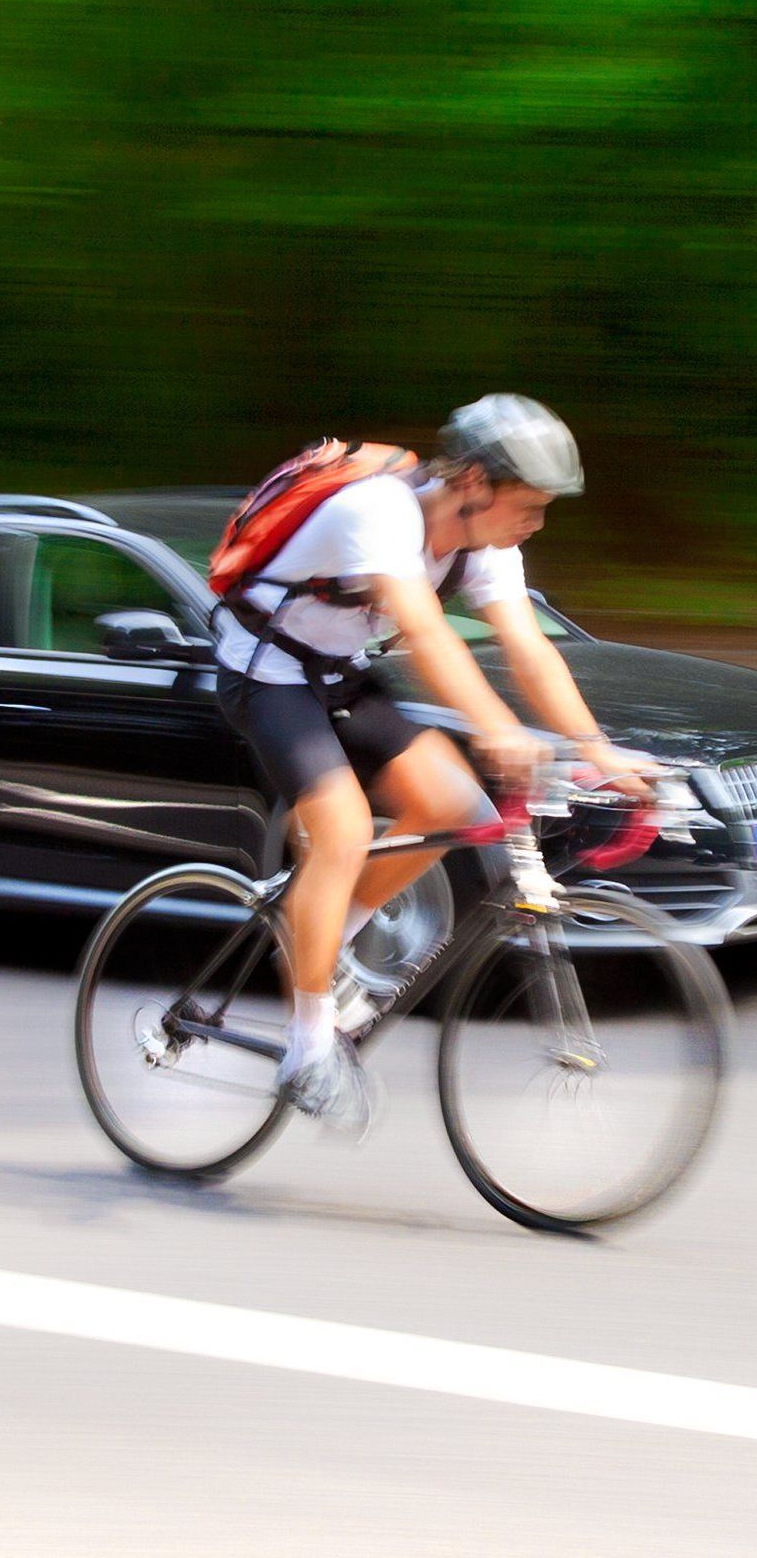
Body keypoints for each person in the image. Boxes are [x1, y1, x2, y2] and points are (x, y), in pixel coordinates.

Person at [211, 395, 652, 1124]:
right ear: (473, 480)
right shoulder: (378, 513)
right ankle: (307, 1045)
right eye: (529, 503)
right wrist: (498, 729)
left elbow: (530, 649)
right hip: (264, 671)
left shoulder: (486, 544)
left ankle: (317, 938)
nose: (536, 522)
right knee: (343, 829)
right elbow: (424, 630)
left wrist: (596, 751)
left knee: (454, 806)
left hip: (335, 670)